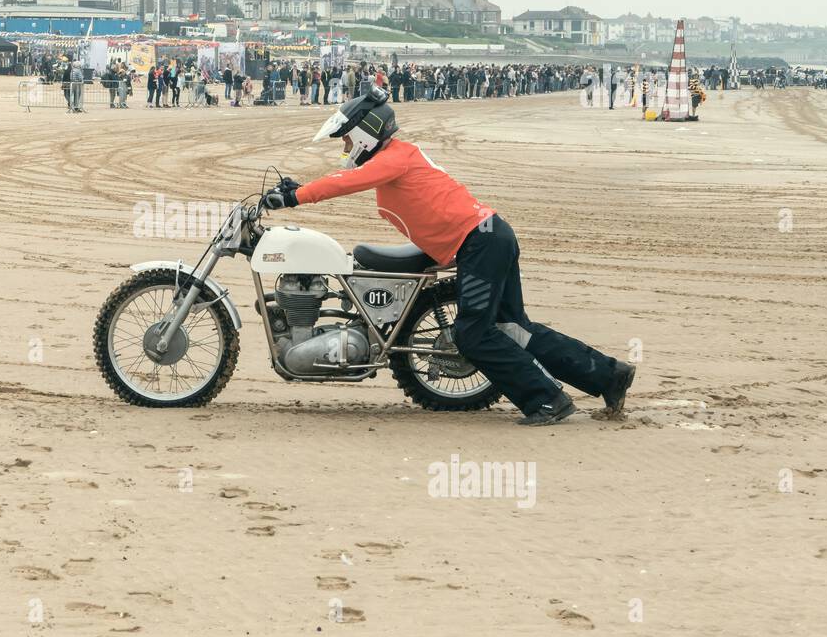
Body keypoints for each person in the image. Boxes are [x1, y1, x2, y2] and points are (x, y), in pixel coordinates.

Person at [260, 87, 635, 426]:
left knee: (473, 335)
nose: (345, 148)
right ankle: (607, 375)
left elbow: (348, 182)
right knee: (513, 328)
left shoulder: (395, 157)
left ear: (363, 133)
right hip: (488, 236)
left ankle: (547, 399)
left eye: (345, 140)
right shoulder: (396, 158)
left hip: (481, 242)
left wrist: (296, 196)